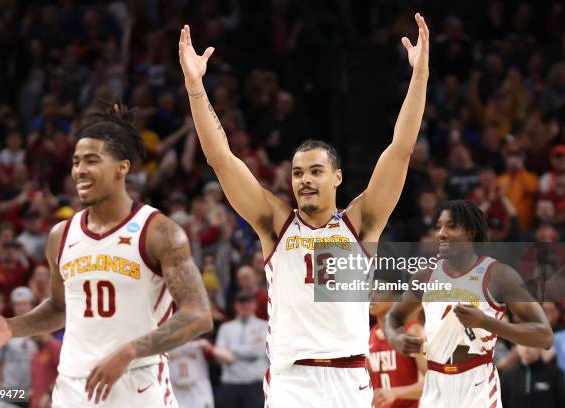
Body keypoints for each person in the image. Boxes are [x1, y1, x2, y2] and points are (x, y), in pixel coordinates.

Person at [179, 12, 430, 406]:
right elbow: (221, 158)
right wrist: (196, 88)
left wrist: (419, 78)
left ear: (338, 178)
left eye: (316, 171)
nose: (305, 180)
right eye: (298, 173)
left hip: (348, 380)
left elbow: (400, 150)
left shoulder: (361, 222)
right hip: (290, 381)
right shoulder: (275, 222)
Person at [0, 103, 213, 407]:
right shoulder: (60, 236)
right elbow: (60, 307)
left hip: (136, 385)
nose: (79, 170)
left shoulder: (159, 232)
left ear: (123, 167)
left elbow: (198, 315)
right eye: (76, 161)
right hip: (73, 388)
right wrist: (13, 326)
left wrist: (130, 350)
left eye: (92, 161)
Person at [385, 200, 553, 408]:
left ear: (472, 232)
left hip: (478, 383)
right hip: (435, 382)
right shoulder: (424, 276)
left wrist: (486, 323)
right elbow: (393, 317)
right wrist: (395, 338)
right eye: (438, 227)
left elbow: (545, 336)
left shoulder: (499, 275)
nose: (441, 234)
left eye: (451, 226)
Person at [368, 278, 426, 408]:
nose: (372, 296)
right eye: (371, 291)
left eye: (379, 291)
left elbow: (434, 382)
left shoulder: (413, 332)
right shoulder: (368, 338)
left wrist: (395, 392)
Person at [213, 292, 269, 408]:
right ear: (236, 305)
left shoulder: (264, 326)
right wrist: (249, 349)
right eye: (241, 302)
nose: (245, 306)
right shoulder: (226, 328)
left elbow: (259, 351)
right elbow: (219, 355)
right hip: (230, 383)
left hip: (255, 382)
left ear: (255, 305)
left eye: (248, 302)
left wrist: (232, 348)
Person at [500, 344, 565, 408]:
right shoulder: (507, 377)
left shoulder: (555, 374)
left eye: (530, 342)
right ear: (516, 347)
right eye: (521, 343)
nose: (526, 347)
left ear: (540, 346)